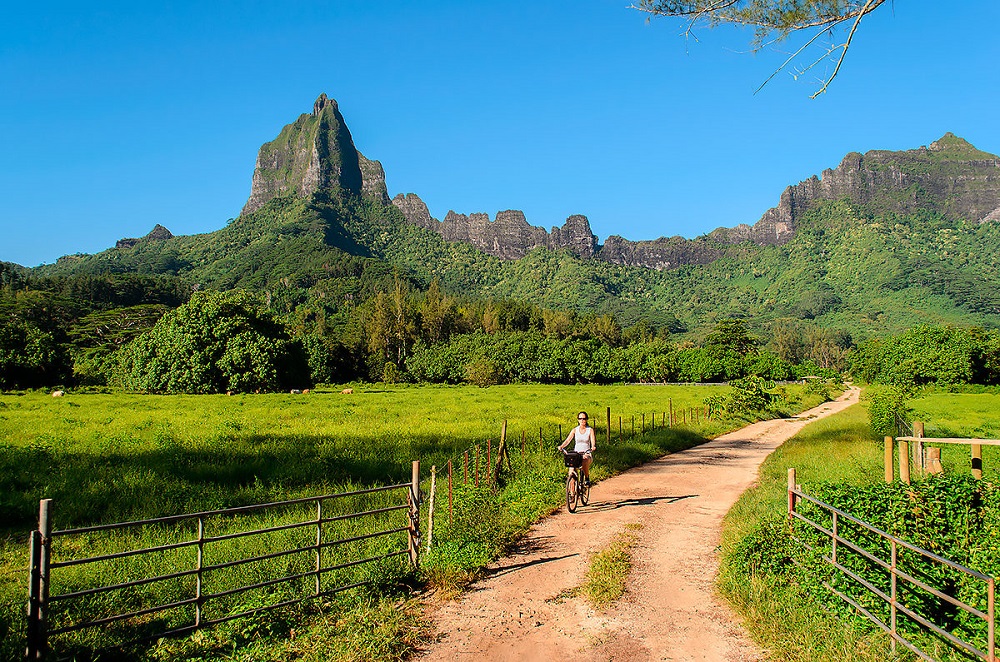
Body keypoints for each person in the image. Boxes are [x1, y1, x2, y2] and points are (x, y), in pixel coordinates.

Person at [559, 411, 596, 485]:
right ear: (578, 420)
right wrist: (562, 446)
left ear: (586, 419)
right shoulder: (575, 430)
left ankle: (587, 478)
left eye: (584, 419)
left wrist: (592, 447)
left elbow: (593, 441)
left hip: (586, 453)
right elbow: (568, 440)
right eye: (580, 418)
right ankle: (572, 494)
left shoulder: (590, 430)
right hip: (576, 455)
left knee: (585, 459)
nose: (582, 420)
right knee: (571, 471)